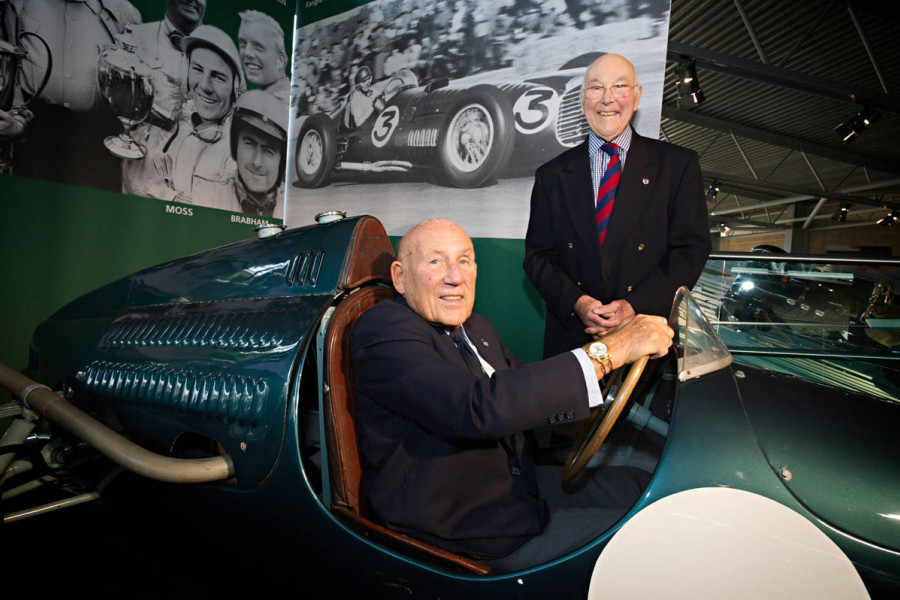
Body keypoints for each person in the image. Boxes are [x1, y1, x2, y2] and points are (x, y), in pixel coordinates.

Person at [352, 218, 673, 571]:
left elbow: (523, 388)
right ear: (400, 277)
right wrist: (608, 352)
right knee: (654, 534)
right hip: (470, 526)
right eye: (435, 261)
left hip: (518, 482)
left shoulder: (476, 327)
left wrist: (607, 356)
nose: (455, 277)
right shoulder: (384, 330)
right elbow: (478, 408)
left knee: (648, 489)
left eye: (464, 260)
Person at [524, 53, 711, 358]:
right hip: (572, 342)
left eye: (620, 87)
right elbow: (538, 257)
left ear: (637, 97)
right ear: (582, 99)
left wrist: (634, 306)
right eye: (596, 88)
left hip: (645, 339)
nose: (607, 99)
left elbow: (690, 249)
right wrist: (578, 302)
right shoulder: (552, 174)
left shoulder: (677, 166)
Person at [3, 0, 142, 191]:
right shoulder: (19, 4)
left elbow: (134, 84)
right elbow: (9, 66)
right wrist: (17, 117)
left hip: (97, 141)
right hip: (35, 134)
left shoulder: (126, 13)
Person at [125, 24, 245, 208]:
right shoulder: (174, 122)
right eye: (197, 69)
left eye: (218, 77)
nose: (204, 86)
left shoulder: (238, 150)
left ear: (235, 88)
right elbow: (133, 180)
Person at [226, 89, 287, 217]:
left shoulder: (294, 207)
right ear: (235, 145)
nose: (257, 162)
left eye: (269, 151)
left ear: (281, 162)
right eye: (249, 144)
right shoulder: (206, 192)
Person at [237, 10, 289, 105]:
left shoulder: (277, 104)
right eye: (243, 44)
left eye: (258, 46)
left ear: (280, 61)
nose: (247, 53)